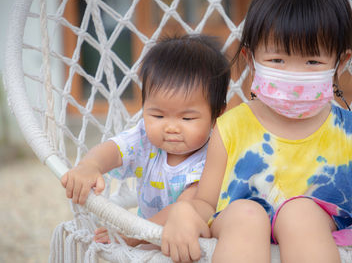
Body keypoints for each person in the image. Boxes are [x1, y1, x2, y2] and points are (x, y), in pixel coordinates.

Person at [160, 0, 352, 262]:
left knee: (300, 214)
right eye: (277, 60)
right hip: (236, 232)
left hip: (341, 236)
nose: (294, 74)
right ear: (250, 59)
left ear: (339, 64)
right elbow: (206, 205)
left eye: (312, 62)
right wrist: (183, 212)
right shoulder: (230, 128)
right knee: (247, 214)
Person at [61, 34, 230, 247]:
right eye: (158, 116)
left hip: (193, 243)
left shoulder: (212, 155)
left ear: (217, 115)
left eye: (187, 118)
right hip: (146, 238)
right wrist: (90, 165)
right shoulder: (145, 139)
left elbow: (188, 207)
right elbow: (114, 149)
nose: (171, 127)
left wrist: (134, 234)